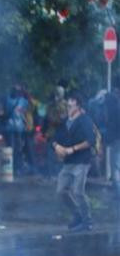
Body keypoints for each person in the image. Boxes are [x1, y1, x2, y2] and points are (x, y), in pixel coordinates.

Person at [51, 93, 97, 232]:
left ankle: (87, 221)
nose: (68, 106)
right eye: (67, 103)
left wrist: (73, 149)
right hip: (68, 162)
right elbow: (54, 137)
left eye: (71, 104)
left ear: (77, 105)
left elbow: (91, 141)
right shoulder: (65, 121)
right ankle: (77, 215)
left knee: (78, 191)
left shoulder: (85, 120)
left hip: (82, 161)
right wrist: (56, 146)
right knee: (61, 191)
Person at [3, 84, 29, 175]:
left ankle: (14, 168)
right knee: (15, 149)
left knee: (16, 148)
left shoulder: (8, 100)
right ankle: (14, 168)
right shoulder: (23, 101)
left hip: (14, 127)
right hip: (16, 127)